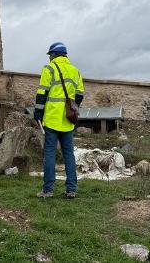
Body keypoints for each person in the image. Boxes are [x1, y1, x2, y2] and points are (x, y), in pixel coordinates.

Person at [34, 42, 85, 199]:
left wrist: (38, 113)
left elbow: (42, 93)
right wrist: (71, 108)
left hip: (51, 118)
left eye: (50, 55)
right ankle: (71, 189)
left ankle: (48, 190)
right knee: (69, 154)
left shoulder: (48, 69)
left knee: (49, 153)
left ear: (54, 55)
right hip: (68, 120)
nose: (49, 58)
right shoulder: (74, 70)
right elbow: (80, 95)